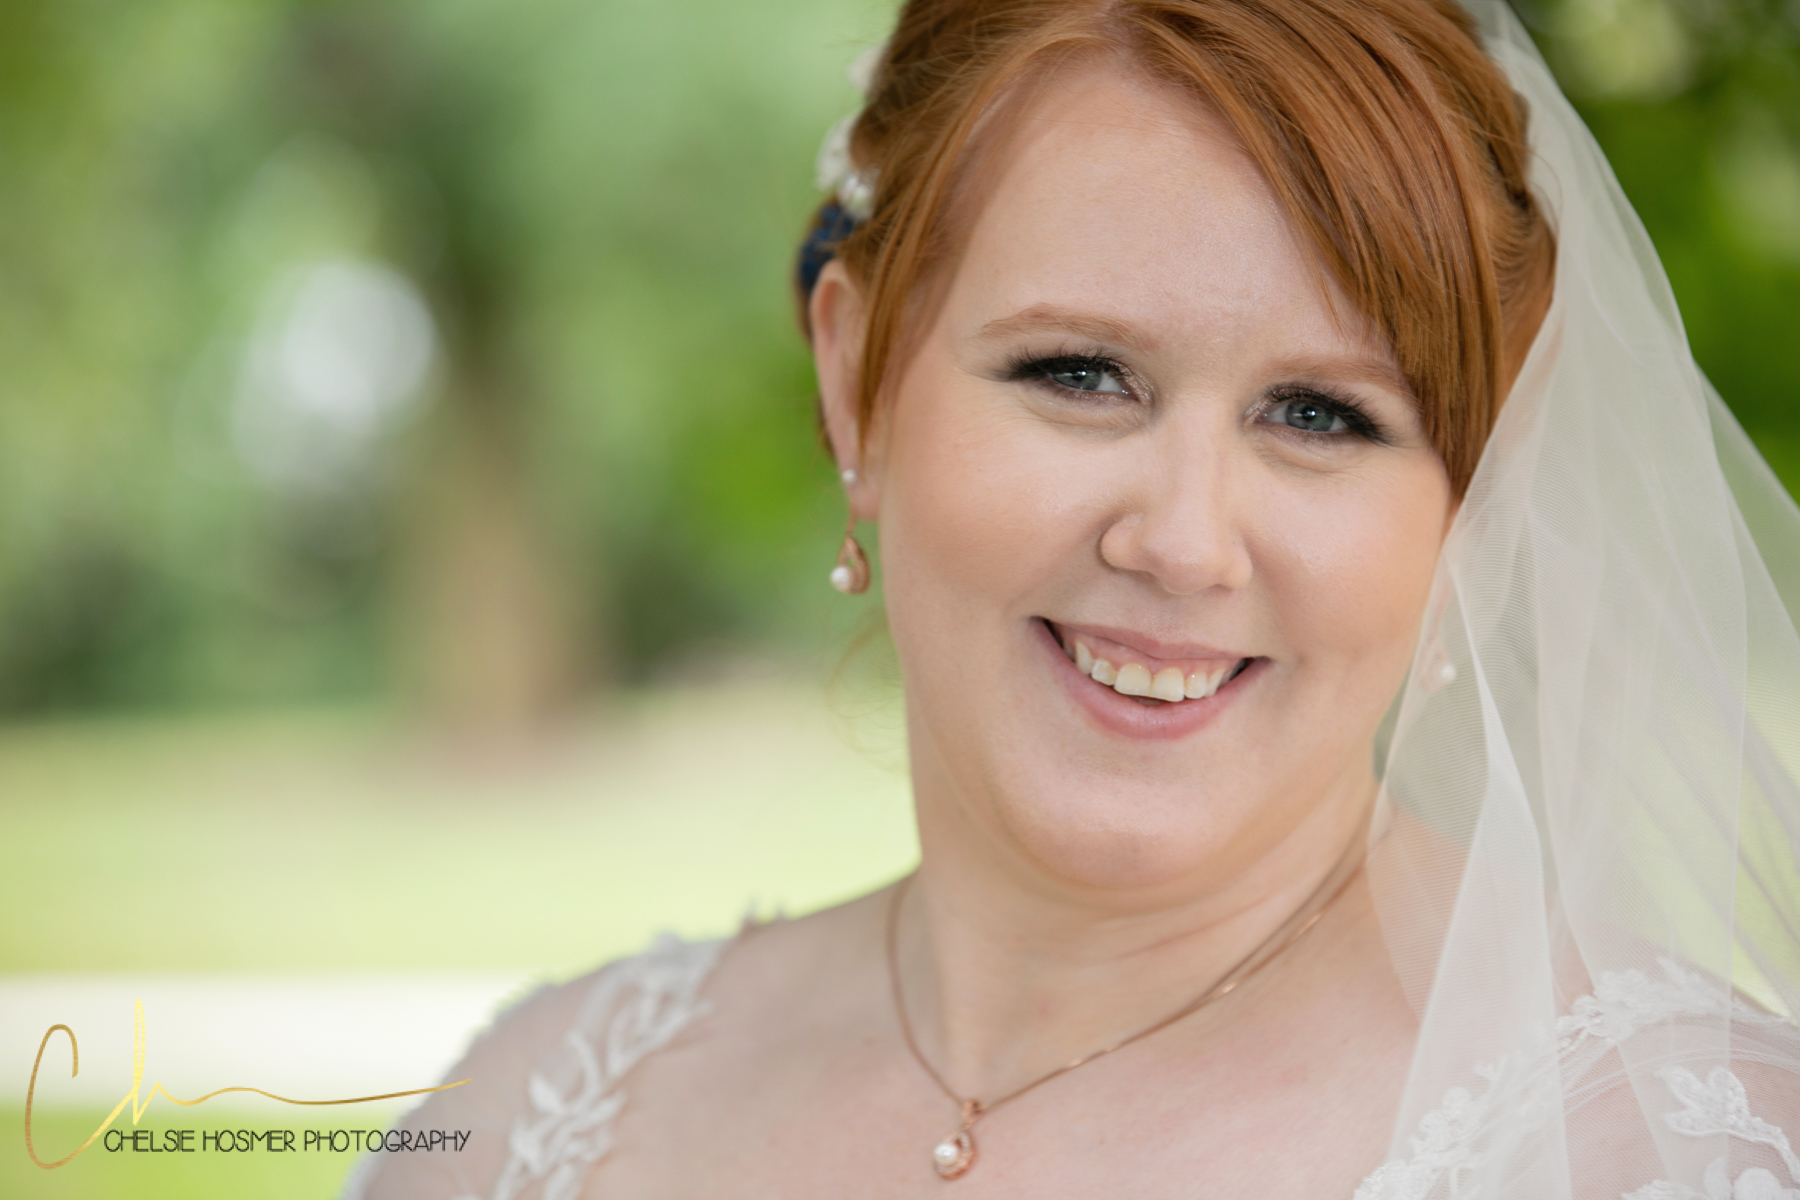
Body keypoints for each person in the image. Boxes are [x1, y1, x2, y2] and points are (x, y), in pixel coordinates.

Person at [349, 0, 1800, 1196]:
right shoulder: (528, 1121)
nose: (1185, 541)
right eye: (1081, 375)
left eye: (1323, 415)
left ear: (1469, 506)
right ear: (858, 387)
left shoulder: (1668, 1152)